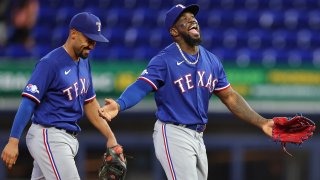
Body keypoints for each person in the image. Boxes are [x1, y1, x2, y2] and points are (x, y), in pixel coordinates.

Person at [98, 4, 275, 180]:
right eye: (184, 19)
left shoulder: (211, 61)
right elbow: (141, 85)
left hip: (198, 137)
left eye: (193, 17)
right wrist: (120, 104)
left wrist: (262, 122)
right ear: (174, 32)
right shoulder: (164, 60)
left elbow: (230, 96)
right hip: (173, 133)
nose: (192, 20)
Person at [1, 12, 119, 179]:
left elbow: (90, 103)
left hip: (67, 139)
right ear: (73, 33)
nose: (92, 45)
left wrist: (110, 136)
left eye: (95, 41)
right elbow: (28, 102)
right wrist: (13, 141)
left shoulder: (85, 62)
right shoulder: (50, 63)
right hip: (49, 136)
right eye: (89, 39)